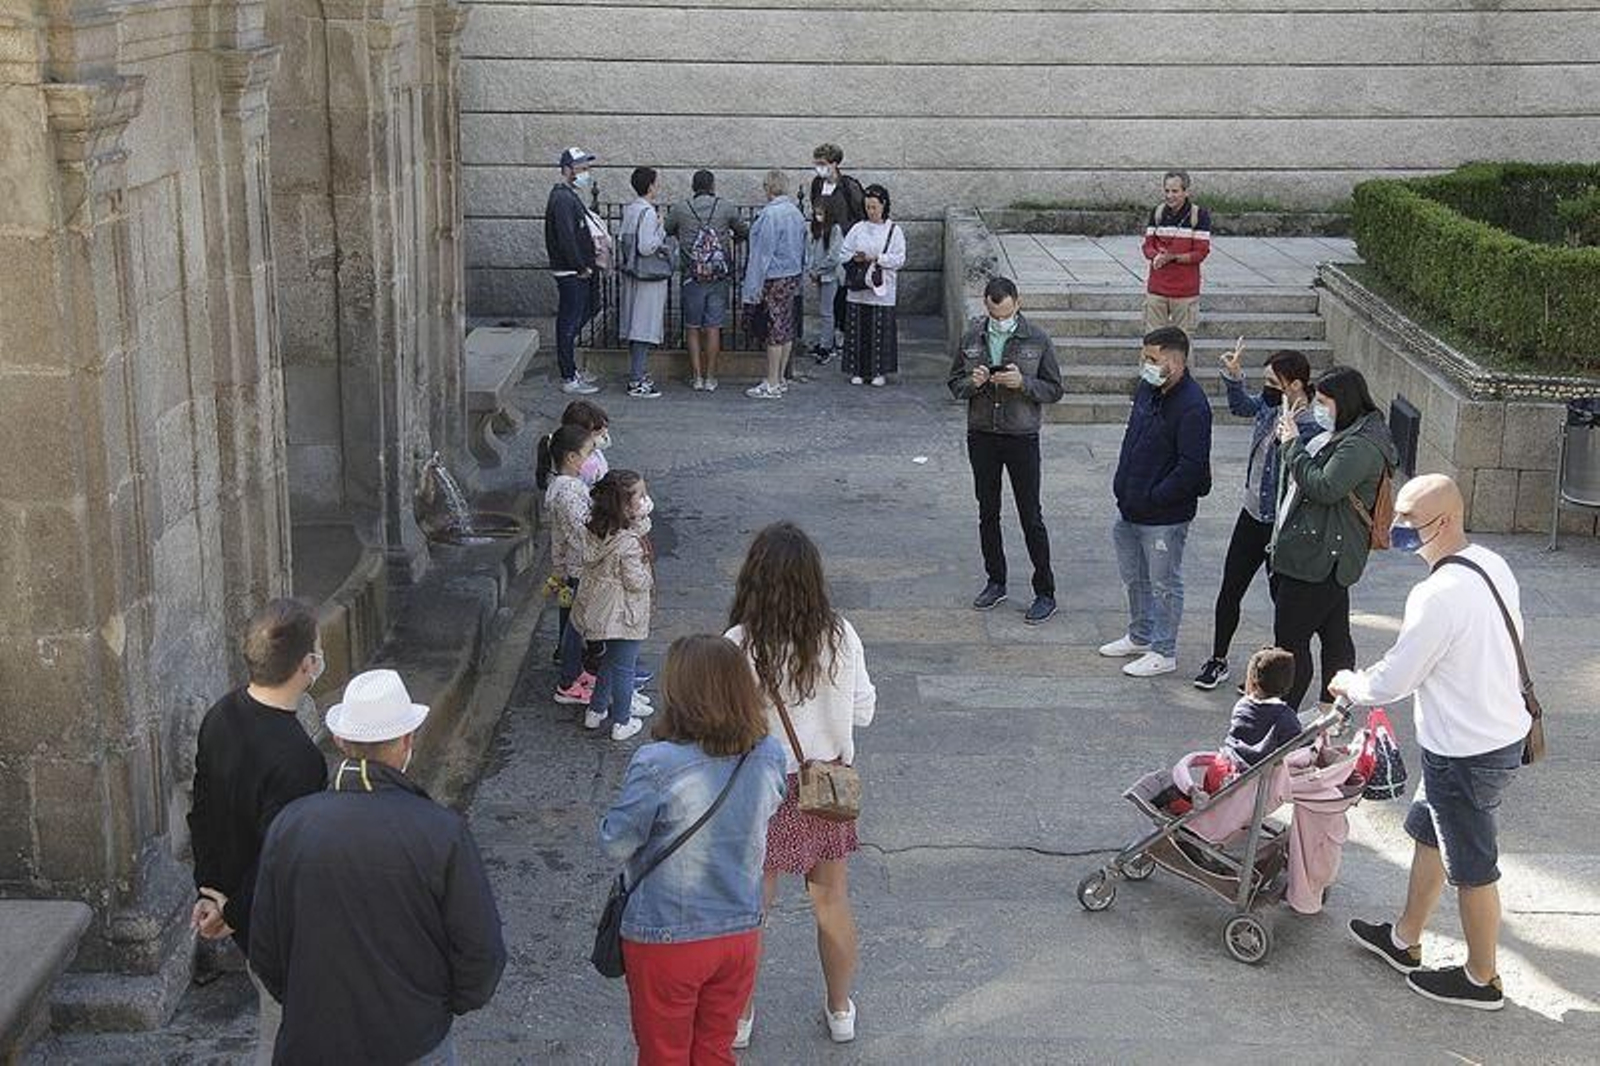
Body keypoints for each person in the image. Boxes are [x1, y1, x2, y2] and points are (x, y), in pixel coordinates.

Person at [1331, 474, 1531, 1011]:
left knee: (1472, 866)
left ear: (1443, 522)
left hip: (1467, 750)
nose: (1395, 528)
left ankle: (1482, 977)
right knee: (1428, 832)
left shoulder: (1436, 595)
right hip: (1488, 734)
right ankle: (1404, 938)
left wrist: (1350, 681)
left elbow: (1395, 680)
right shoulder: (1491, 564)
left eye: (1406, 520)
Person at [250, 669, 507, 1063]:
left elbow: (265, 948)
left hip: (313, 1041)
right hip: (412, 1039)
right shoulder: (441, 832)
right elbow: (481, 952)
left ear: (339, 740)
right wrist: (436, 1008)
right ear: (407, 741)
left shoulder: (291, 825)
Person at [600, 635, 787, 1066]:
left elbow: (617, 842)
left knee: (663, 1055)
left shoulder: (657, 762)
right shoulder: (768, 754)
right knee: (715, 1052)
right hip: (739, 929)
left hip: (668, 934)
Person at [725, 523, 876, 1047]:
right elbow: (864, 710)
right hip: (825, 788)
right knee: (831, 900)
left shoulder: (738, 644)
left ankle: (739, 1018)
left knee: (750, 908)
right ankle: (839, 1011)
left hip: (759, 789)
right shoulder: (841, 634)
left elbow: (726, 729)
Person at [188, 599, 329, 1066]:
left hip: (231, 904)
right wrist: (235, 914)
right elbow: (279, 857)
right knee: (285, 1033)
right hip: (269, 922)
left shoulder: (221, 714)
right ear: (307, 666)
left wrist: (209, 894)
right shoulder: (299, 760)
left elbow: (202, 813)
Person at [1270, 366, 1397, 709]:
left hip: (1321, 557)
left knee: (1291, 642)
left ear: (1344, 402)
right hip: (1326, 554)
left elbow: (1325, 487)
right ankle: (1332, 708)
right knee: (1335, 634)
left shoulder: (1360, 446)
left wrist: (1292, 445)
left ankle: (1287, 713)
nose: (1319, 408)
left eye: (1324, 402)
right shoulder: (1357, 432)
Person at [1193, 345, 1319, 690]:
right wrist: (1234, 377)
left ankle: (1274, 674)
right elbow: (1241, 406)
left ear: (1295, 384)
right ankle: (1217, 659)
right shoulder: (1269, 405)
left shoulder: (1312, 426)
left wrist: (1292, 433)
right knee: (1230, 588)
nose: (1266, 388)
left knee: (1284, 602)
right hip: (1252, 515)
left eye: (1272, 381)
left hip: (1284, 526)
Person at [948, 275, 1065, 624]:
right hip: (982, 433)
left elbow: (1055, 389)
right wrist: (975, 382)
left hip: (1021, 435)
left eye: (1006, 314)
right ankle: (995, 579)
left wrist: (1023, 383)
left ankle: (1045, 590)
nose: (1000, 321)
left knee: (1031, 514)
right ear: (985, 305)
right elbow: (955, 383)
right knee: (988, 510)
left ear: (1017, 303)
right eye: (994, 314)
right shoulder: (972, 337)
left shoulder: (1037, 339)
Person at [1100, 326, 1213, 677]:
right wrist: (1123, 486)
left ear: (1175, 361)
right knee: (1134, 577)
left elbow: (1191, 467)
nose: (1146, 364)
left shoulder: (1193, 406)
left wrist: (1155, 496)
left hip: (1164, 515)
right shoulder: (1148, 390)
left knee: (1165, 583)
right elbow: (1131, 438)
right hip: (1130, 506)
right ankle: (1140, 634)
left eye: (1153, 358)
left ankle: (1164, 651)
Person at [572, 470, 656, 740]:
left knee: (611, 659)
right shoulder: (629, 544)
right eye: (640, 497)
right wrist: (648, 576)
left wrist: (639, 522)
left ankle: (596, 710)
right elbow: (635, 582)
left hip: (600, 610)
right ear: (624, 507)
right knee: (625, 666)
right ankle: (622, 721)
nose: (645, 501)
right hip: (624, 613)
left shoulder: (596, 530)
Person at [665, 169, 748, 392]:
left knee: (692, 327)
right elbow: (744, 230)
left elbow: (666, 228)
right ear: (712, 186)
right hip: (718, 276)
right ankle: (711, 377)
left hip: (691, 276)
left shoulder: (681, 208)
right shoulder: (725, 207)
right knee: (713, 327)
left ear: (693, 187)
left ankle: (697, 376)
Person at [538, 424, 599, 706]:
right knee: (576, 627)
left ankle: (575, 672)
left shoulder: (568, 489)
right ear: (573, 459)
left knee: (575, 624)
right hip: (578, 568)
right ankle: (569, 681)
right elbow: (581, 533)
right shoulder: (568, 494)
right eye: (590, 452)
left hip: (571, 568)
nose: (594, 458)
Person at [741, 169, 806, 400]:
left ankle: (771, 382)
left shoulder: (770, 215)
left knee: (773, 329)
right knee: (785, 327)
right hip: (792, 274)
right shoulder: (796, 213)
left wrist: (753, 286)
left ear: (768, 188)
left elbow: (762, 254)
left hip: (774, 276)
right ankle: (780, 378)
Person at [545, 147, 604, 395]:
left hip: (580, 270)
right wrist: (580, 266)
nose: (585, 173)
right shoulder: (561, 199)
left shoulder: (569, 196)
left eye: (587, 169)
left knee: (591, 307)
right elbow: (567, 237)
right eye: (581, 169)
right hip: (572, 272)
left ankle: (570, 365)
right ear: (567, 170)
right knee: (569, 322)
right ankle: (568, 375)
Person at [839, 184, 906, 387]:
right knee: (858, 329)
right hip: (859, 289)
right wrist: (856, 258)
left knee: (880, 330)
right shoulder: (858, 228)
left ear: (883, 206)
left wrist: (878, 258)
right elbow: (843, 253)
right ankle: (858, 370)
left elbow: (900, 259)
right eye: (868, 207)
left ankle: (879, 371)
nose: (871, 211)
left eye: (874, 207)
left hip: (881, 289)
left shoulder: (894, 230)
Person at [1141, 170, 1212, 334]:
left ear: (1186, 192)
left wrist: (1172, 258)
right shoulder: (1157, 213)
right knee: (1152, 340)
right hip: (1157, 289)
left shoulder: (1199, 216)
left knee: (1183, 342)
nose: (1170, 196)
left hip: (1185, 292)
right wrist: (1156, 256)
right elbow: (1147, 246)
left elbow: (1201, 252)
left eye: (1175, 191)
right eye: (1166, 191)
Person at [618, 167, 667, 399]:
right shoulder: (647, 212)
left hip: (632, 274)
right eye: (657, 183)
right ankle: (637, 380)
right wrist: (661, 230)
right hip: (647, 278)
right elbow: (646, 246)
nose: (659, 187)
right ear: (649, 186)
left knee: (635, 326)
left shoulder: (631, 210)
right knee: (643, 329)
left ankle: (638, 373)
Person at [1223, 646, 1304, 767]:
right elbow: (1298, 745)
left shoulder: (1242, 705)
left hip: (1231, 763)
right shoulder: (1286, 716)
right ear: (1289, 686)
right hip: (1261, 774)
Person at [803, 199, 846, 365]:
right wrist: (812, 270)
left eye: (821, 213)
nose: (817, 216)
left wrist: (818, 270)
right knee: (824, 311)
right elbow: (810, 252)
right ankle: (825, 341)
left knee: (827, 312)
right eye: (816, 213)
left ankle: (827, 346)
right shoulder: (815, 229)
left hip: (830, 276)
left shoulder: (835, 230)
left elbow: (834, 256)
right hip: (820, 275)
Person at [560, 398, 611, 486]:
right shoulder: (586, 465)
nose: (605, 437)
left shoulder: (587, 451)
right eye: (598, 434)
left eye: (605, 430)